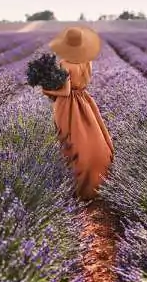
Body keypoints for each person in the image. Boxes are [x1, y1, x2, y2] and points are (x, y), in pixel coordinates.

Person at [42, 26, 114, 200]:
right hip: (85, 101)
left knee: (70, 143)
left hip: (68, 106)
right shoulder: (88, 62)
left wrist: (47, 91)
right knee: (91, 137)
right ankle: (97, 181)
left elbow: (65, 92)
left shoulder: (64, 64)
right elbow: (83, 83)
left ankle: (75, 188)